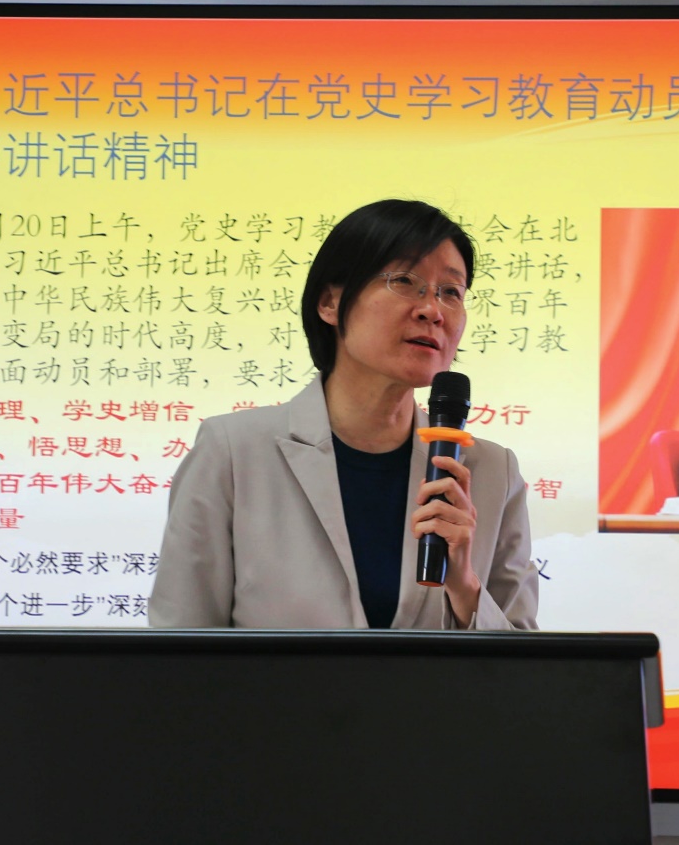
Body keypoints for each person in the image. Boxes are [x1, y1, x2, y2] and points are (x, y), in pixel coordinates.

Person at [150, 199, 538, 629]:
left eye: (451, 292)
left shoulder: (491, 472)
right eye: (405, 281)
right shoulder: (232, 453)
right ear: (330, 303)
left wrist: (465, 588)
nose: (433, 310)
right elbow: (179, 642)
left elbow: (529, 658)